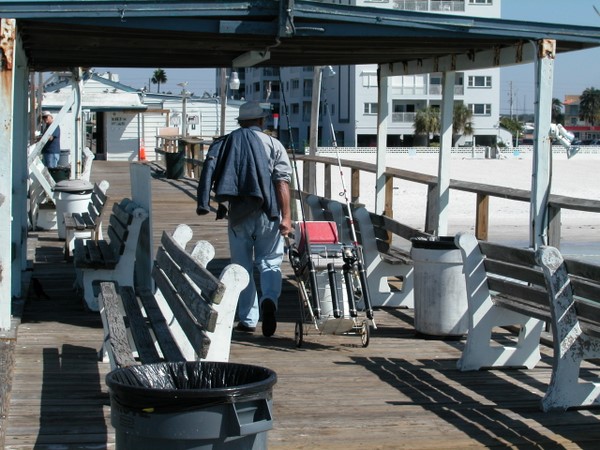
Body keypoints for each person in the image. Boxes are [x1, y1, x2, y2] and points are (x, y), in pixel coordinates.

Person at [196, 101, 292, 337]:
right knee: (270, 262)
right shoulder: (274, 144)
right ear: (261, 121)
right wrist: (286, 217)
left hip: (238, 213)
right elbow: (282, 182)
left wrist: (214, 203)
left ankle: (248, 320)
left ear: (240, 122)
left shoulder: (228, 142)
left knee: (242, 266)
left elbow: (215, 172)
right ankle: (269, 299)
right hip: (268, 212)